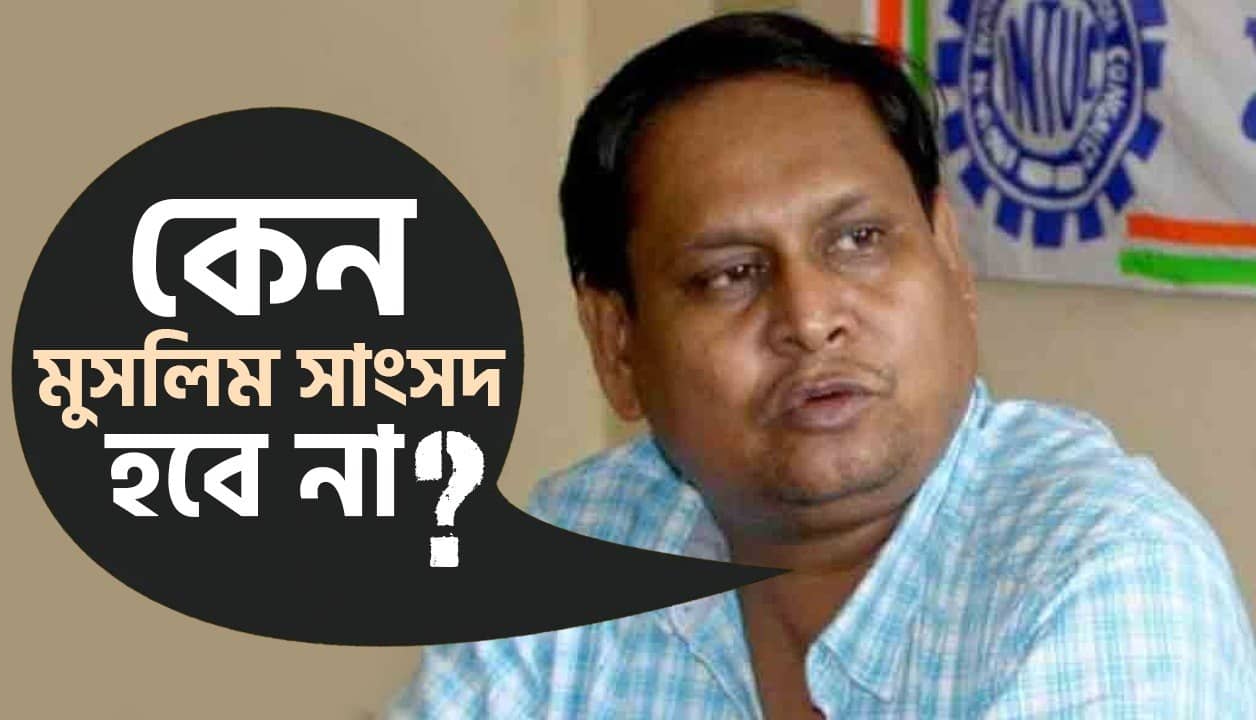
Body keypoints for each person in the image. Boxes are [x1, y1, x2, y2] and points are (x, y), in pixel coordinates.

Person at [392, 12, 1256, 718]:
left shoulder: (1099, 569)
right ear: (618, 343)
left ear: (950, 260)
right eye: (730, 275)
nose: (810, 320)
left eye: (859, 239)